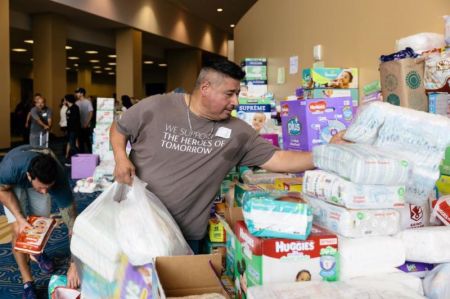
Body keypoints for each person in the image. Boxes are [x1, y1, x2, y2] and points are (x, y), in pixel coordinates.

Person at [110, 59, 345, 253]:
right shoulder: (156, 106)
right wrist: (121, 157)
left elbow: (279, 160)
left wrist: (325, 154)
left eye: (237, 94)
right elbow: (119, 129)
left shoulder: (238, 132)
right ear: (205, 89)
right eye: (230, 94)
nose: (236, 102)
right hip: (133, 222)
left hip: (183, 236)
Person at [0, 145, 80, 298]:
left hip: (40, 174)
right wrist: (20, 218)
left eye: (48, 188)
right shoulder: (10, 168)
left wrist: (74, 264)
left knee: (40, 225)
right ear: (30, 176)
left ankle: (36, 252)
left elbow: (73, 226)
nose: (45, 192)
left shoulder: (58, 179)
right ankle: (27, 282)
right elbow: (2, 189)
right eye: (42, 187)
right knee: (19, 230)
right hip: (11, 183)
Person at [74, 87, 93, 153]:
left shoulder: (87, 102)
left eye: (77, 93)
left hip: (86, 126)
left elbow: (91, 113)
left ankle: (91, 155)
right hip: (79, 126)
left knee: (88, 142)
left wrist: (87, 123)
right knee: (80, 142)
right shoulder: (76, 103)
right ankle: (82, 156)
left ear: (82, 93)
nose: (76, 94)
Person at [64, 94, 81, 166]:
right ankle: (76, 159)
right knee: (72, 144)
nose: (64, 101)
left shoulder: (75, 108)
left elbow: (75, 120)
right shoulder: (69, 108)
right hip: (70, 129)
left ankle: (75, 160)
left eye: (65, 99)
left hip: (74, 129)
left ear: (67, 100)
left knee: (72, 145)